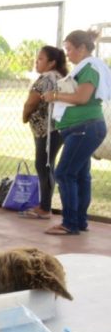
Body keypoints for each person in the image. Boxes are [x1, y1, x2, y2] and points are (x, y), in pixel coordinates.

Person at [42, 29, 110, 235]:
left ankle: (70, 222)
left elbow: (82, 97)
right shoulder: (86, 67)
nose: (68, 54)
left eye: (69, 49)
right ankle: (79, 221)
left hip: (85, 127)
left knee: (64, 173)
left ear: (82, 48)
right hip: (80, 128)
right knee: (80, 174)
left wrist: (54, 95)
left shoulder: (89, 67)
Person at [20, 46, 68, 219]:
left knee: (43, 165)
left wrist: (25, 116)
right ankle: (45, 204)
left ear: (51, 62)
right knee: (47, 165)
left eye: (40, 59)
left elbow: (31, 103)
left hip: (48, 131)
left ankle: (45, 208)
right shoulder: (60, 77)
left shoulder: (46, 78)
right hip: (56, 128)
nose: (36, 62)